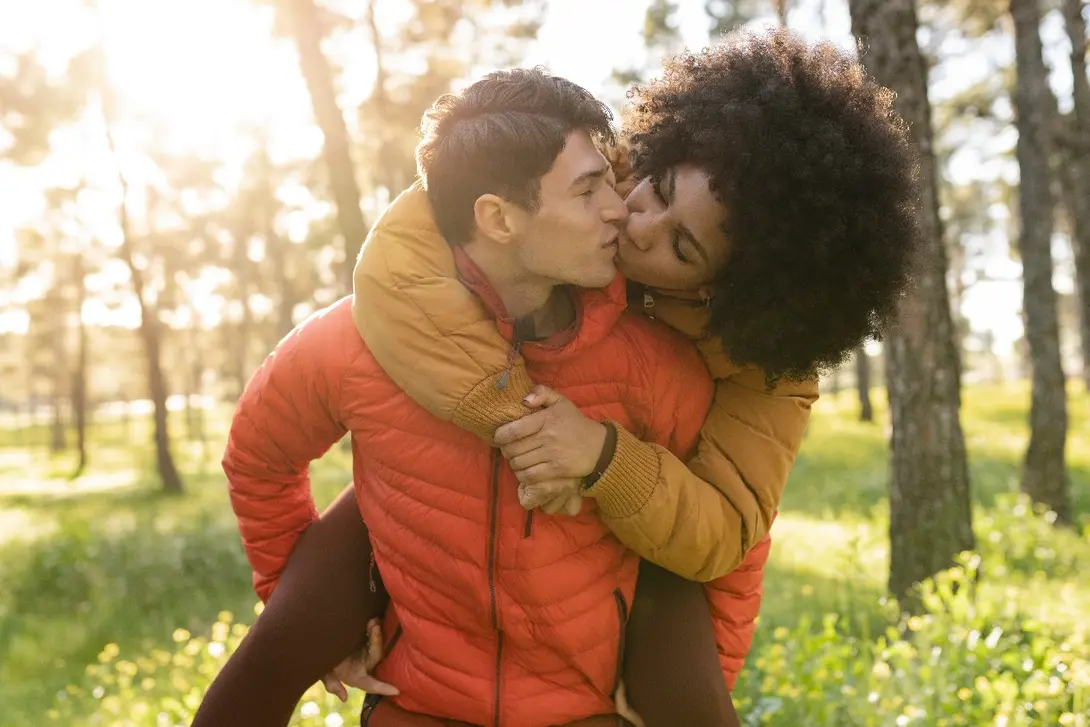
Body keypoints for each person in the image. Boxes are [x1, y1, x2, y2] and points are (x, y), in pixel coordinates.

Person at [195, 27, 919, 727]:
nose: (633, 221)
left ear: (723, 289)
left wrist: (685, 692)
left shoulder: (742, 374)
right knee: (387, 487)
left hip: (635, 549)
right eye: (656, 187)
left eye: (681, 245)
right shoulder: (588, 186)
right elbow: (428, 226)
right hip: (433, 569)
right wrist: (502, 411)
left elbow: (727, 543)